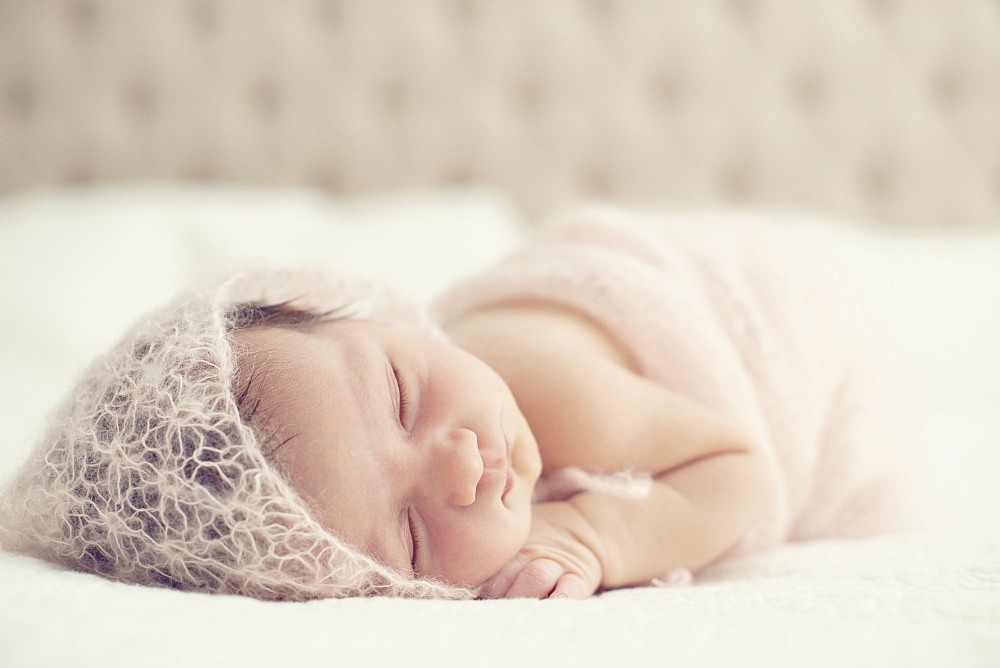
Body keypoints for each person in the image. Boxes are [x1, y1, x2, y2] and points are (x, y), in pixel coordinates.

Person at [0, 206, 921, 601]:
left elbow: (742, 470)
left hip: (790, 315)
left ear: (353, 315)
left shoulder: (554, 388)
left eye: (402, 395)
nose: (459, 463)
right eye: (408, 537)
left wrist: (600, 538)